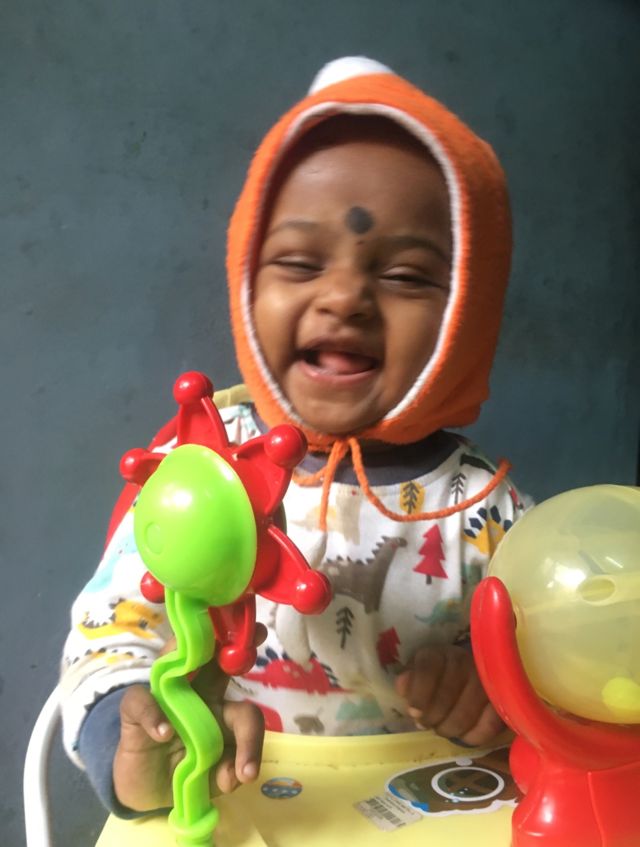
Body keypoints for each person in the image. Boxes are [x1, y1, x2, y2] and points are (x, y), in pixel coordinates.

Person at [60, 56, 525, 817]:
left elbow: (566, 683)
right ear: (247, 284)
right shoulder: (198, 471)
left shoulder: (492, 516)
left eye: (405, 275)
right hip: (233, 800)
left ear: (466, 311)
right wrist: (134, 730)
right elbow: (109, 636)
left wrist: (499, 693)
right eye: (300, 263)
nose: (345, 296)